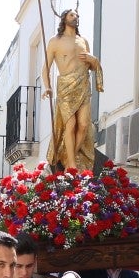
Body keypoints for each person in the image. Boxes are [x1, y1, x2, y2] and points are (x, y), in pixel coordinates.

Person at [42, 9, 104, 171]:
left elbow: (91, 65)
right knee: (71, 124)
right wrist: (47, 87)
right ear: (64, 19)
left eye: (77, 15)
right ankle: (71, 164)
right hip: (66, 87)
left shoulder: (83, 41)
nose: (76, 17)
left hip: (83, 85)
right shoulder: (55, 42)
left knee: (84, 125)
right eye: (72, 15)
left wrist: (93, 60)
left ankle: (69, 156)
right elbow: (45, 69)